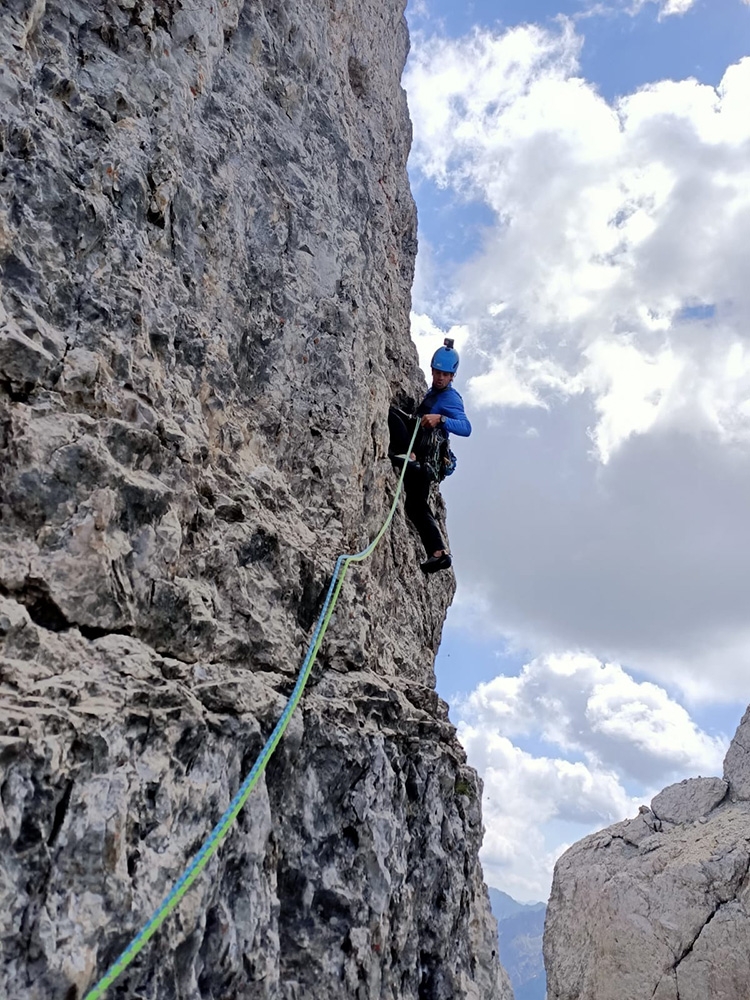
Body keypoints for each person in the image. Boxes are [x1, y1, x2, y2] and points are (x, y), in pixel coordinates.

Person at [388, 338, 472, 574]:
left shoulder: (450, 398)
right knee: (415, 506)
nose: (440, 378)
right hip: (425, 467)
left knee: (393, 415)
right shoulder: (433, 392)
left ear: (452, 376)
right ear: (432, 369)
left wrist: (441, 419)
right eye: (437, 372)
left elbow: (466, 427)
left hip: (424, 455)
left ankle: (409, 456)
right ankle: (438, 553)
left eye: (445, 375)